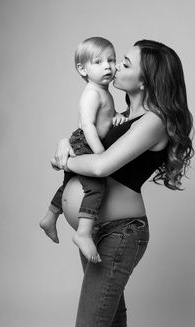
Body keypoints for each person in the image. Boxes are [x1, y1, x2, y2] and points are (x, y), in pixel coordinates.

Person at [51, 39, 194, 327]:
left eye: (125, 63)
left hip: (120, 233)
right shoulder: (124, 116)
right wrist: (64, 144)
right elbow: (84, 144)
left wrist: (65, 162)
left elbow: (102, 165)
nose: (115, 66)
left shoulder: (155, 121)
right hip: (97, 229)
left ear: (145, 82)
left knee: (91, 325)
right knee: (110, 321)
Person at [40, 37, 127, 262]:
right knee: (96, 186)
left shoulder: (103, 90)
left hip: (87, 141)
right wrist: (100, 153)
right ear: (82, 68)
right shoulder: (91, 92)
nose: (108, 66)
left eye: (111, 59)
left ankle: (50, 217)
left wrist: (116, 116)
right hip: (86, 142)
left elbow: (104, 116)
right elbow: (88, 125)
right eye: (98, 62)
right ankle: (83, 233)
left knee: (69, 184)